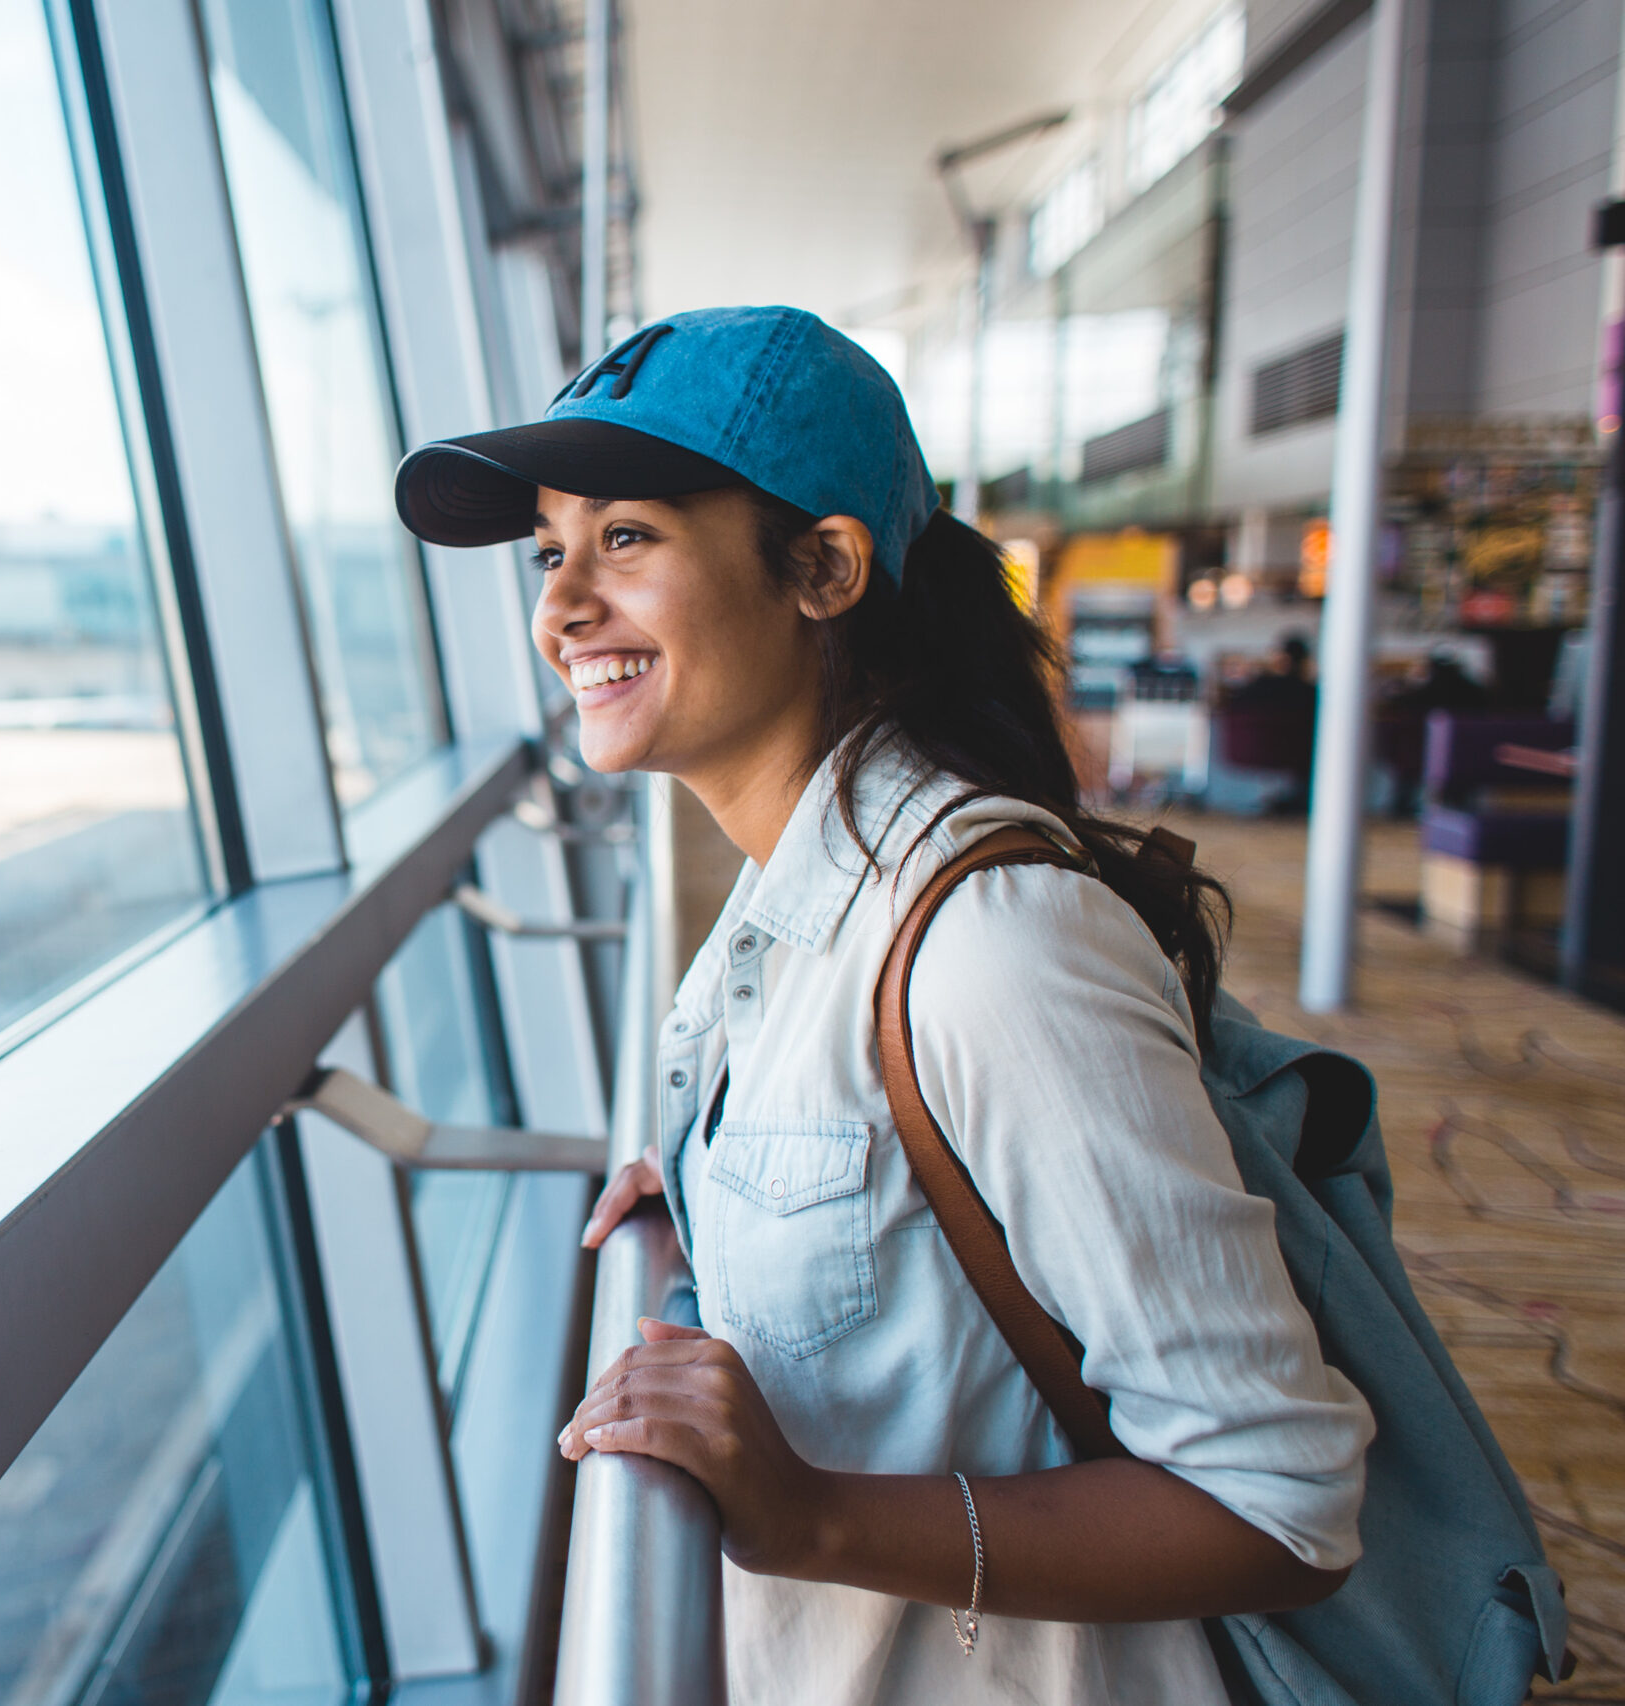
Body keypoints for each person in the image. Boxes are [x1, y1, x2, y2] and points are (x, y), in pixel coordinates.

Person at [394, 307, 1372, 1705]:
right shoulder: (786, 894)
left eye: (626, 539)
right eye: (552, 549)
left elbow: (1281, 1496)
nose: (558, 607)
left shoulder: (991, 947)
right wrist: (710, 1185)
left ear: (825, 567)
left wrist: (818, 1516)